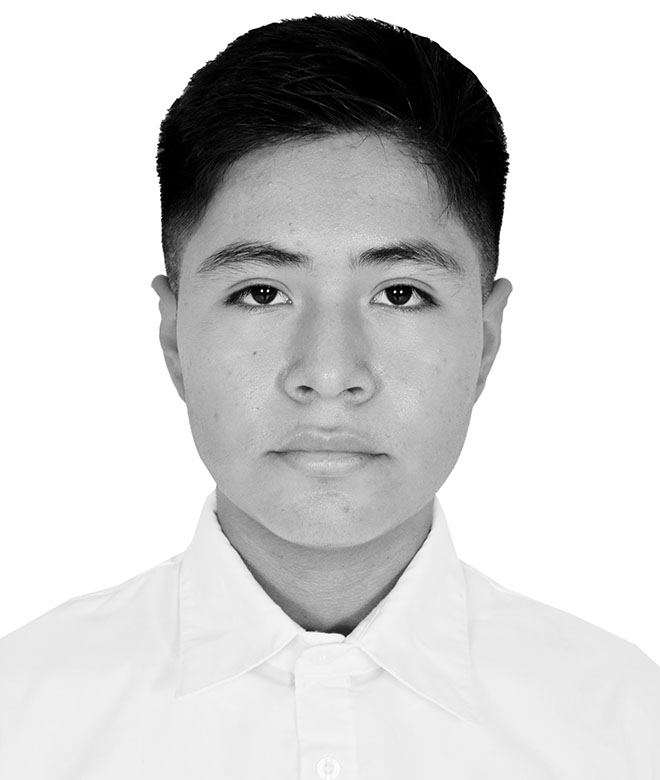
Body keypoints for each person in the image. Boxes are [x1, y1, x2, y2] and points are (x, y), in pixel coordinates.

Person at [0, 14, 658, 779]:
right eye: (262, 292)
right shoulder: (22, 719)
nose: (329, 371)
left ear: (485, 338)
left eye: (400, 293)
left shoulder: (627, 727)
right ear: (175, 336)